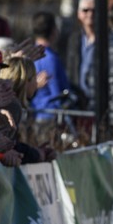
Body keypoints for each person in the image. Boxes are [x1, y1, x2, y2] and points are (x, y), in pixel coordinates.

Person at [30, 11, 71, 145]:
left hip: (36, 113)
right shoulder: (50, 58)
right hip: (49, 116)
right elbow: (57, 93)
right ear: (54, 30)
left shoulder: (30, 54)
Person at [65, 0, 96, 107]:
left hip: (98, 101)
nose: (90, 14)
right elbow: (70, 68)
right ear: (79, 14)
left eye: (94, 10)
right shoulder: (74, 39)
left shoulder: (107, 40)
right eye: (85, 10)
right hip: (78, 99)